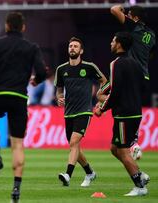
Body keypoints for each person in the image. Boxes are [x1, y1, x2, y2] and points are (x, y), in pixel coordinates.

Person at [0, 12, 46, 202]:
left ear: (7, 25)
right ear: (23, 27)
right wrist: (35, 80)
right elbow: (42, 71)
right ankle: (16, 190)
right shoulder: (32, 47)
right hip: (19, 96)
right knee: (18, 144)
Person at [95, 32, 150, 196]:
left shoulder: (116, 63)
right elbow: (143, 87)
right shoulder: (135, 63)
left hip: (124, 115)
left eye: (113, 40)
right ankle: (141, 175)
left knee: (123, 151)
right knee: (114, 148)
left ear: (119, 44)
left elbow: (115, 92)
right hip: (135, 112)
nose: (110, 43)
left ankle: (140, 186)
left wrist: (101, 108)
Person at [54, 37, 107, 187]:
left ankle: (67, 175)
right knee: (74, 146)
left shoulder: (89, 67)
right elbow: (59, 90)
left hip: (84, 111)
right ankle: (90, 172)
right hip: (68, 112)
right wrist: (59, 98)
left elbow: (104, 81)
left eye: (76, 46)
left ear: (81, 51)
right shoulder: (61, 69)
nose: (72, 48)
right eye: (70, 46)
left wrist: (100, 98)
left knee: (74, 142)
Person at [110, 4, 156, 157]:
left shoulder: (133, 27)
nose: (127, 17)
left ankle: (132, 142)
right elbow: (151, 54)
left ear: (135, 18)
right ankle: (134, 141)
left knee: (122, 105)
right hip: (145, 76)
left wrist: (122, 8)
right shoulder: (152, 34)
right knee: (134, 107)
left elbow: (114, 9)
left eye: (129, 15)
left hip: (131, 75)